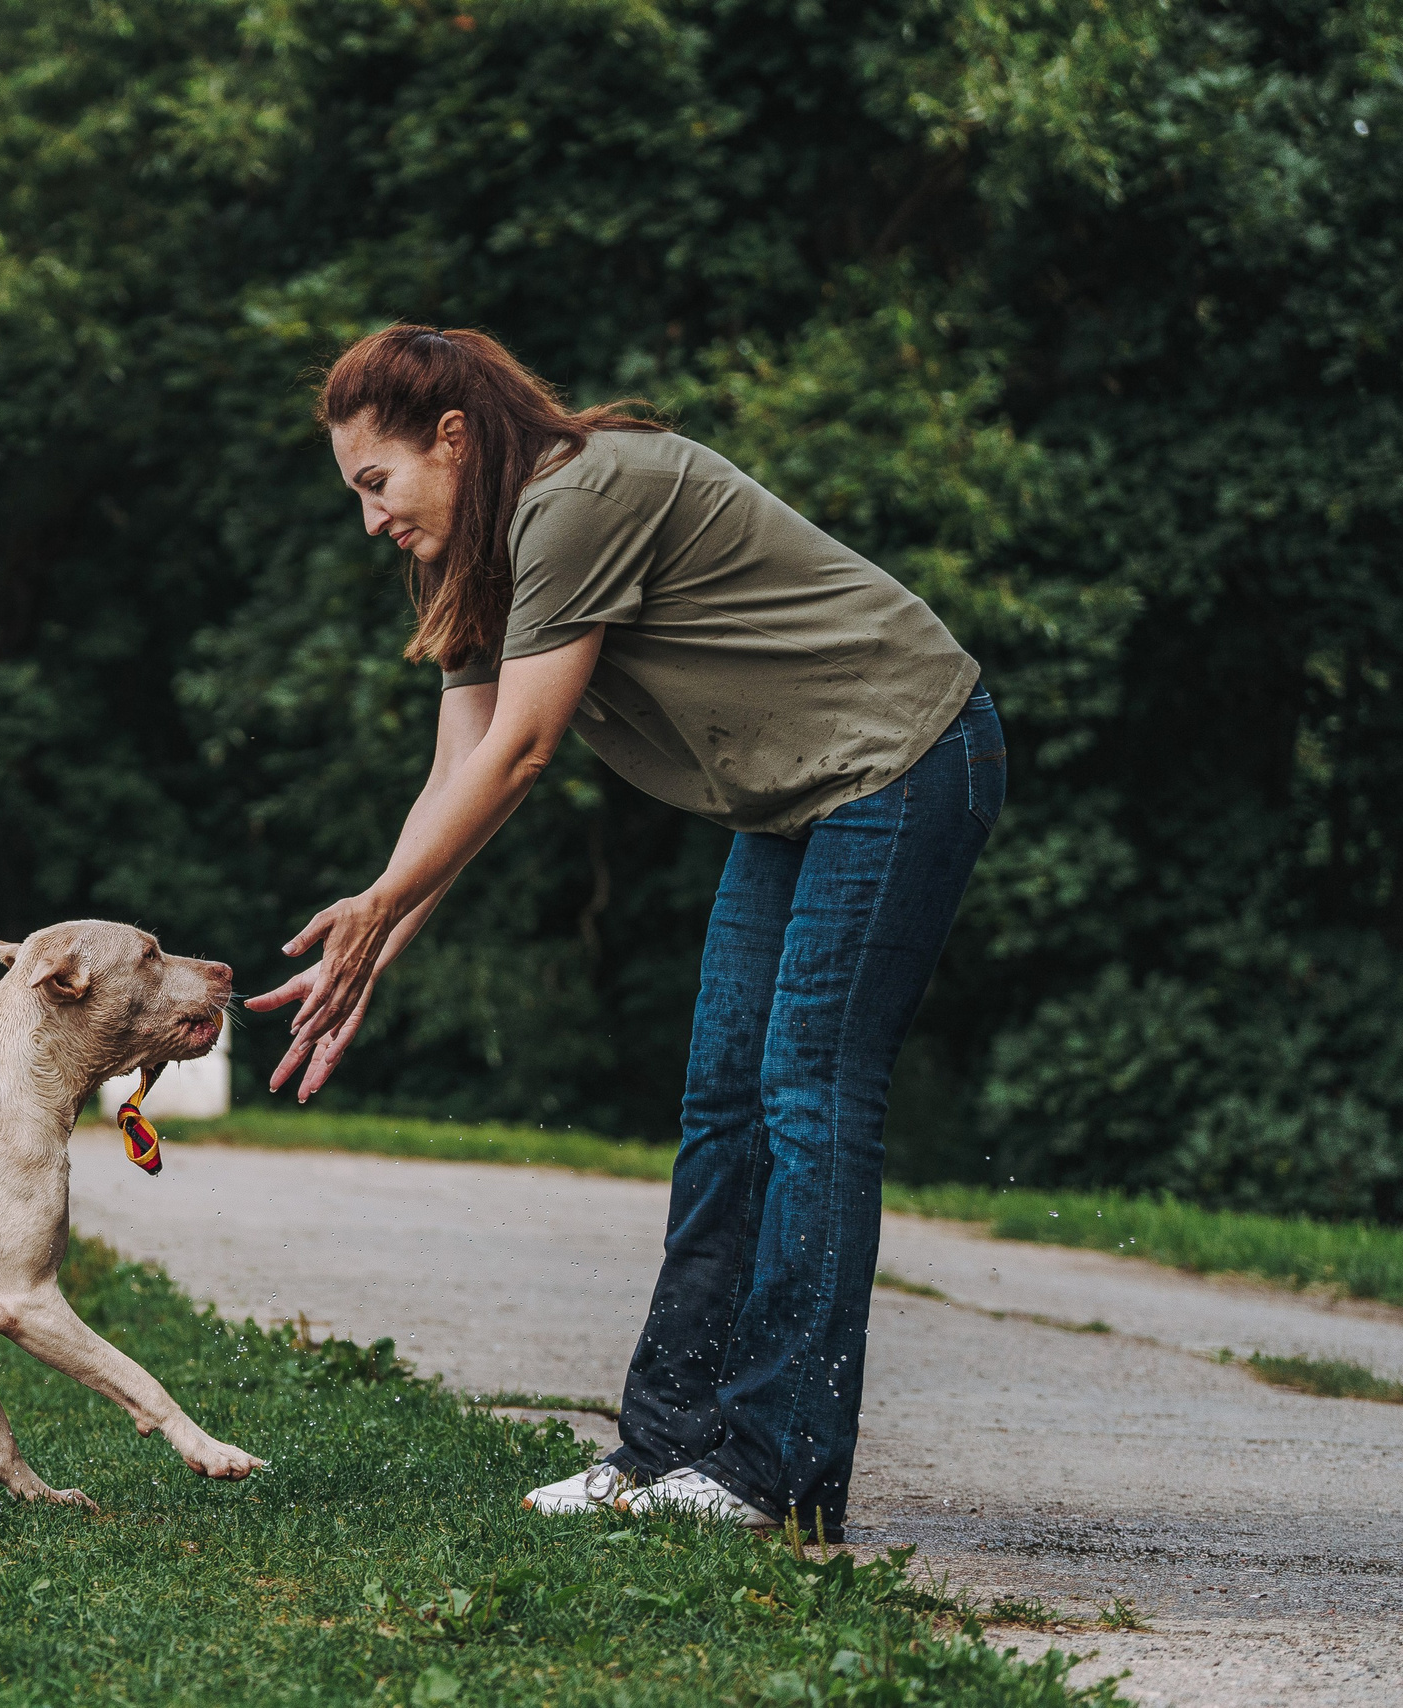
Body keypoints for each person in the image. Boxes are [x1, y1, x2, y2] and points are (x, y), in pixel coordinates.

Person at [246, 325, 1001, 1540]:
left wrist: (382, 908)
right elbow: (458, 775)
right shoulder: (481, 559)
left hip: (904, 756)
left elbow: (526, 752)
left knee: (803, 1091)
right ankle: (667, 1454)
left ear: (450, 437)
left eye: (374, 485)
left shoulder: (579, 496)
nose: (370, 520)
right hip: (798, 794)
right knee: (721, 1098)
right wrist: (368, 950)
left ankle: (776, 1471)